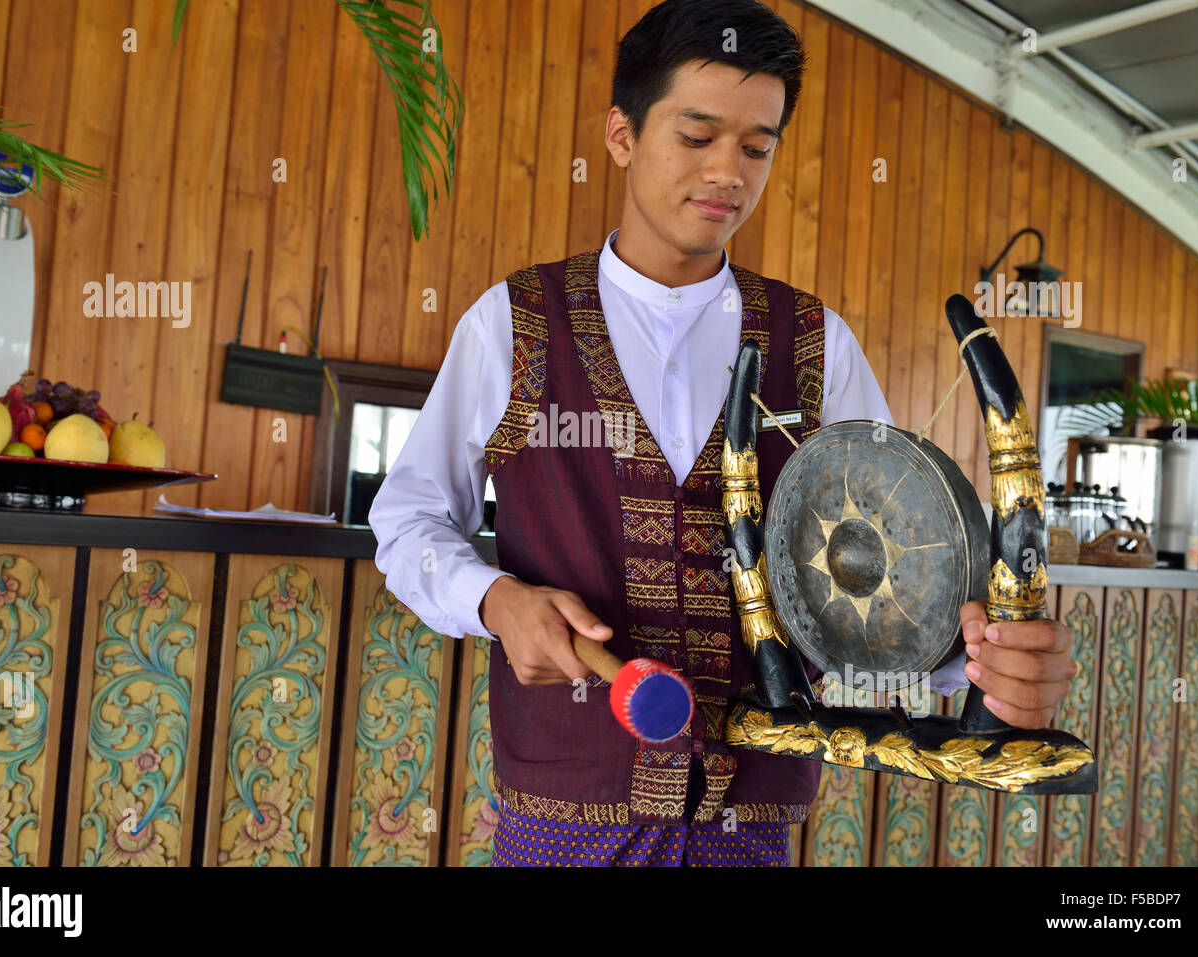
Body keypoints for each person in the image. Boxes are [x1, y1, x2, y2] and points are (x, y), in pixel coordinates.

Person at [369, 0, 1076, 867]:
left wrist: (983, 665)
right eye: (696, 135)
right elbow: (406, 520)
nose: (727, 173)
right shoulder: (514, 322)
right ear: (622, 135)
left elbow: (898, 577)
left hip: (752, 824)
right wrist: (495, 601)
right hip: (565, 817)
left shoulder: (818, 343)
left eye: (756, 146)